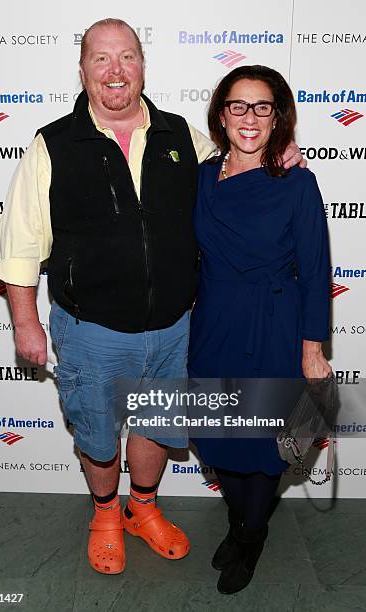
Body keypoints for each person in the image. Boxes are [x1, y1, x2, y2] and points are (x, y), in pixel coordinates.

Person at [0, 19, 304, 576]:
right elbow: (20, 247)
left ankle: (143, 507)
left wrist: (281, 153)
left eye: (127, 57)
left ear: (142, 64)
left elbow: (241, 155)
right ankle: (106, 515)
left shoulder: (182, 135)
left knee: (158, 426)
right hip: (89, 328)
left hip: (173, 327)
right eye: (101, 59)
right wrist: (25, 323)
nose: (116, 71)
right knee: (95, 430)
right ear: (83, 69)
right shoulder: (53, 144)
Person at [187, 65, 332, 594]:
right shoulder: (201, 176)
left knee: (264, 444)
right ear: (221, 115)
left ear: (277, 117)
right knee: (216, 437)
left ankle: (250, 537)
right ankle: (237, 522)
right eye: (238, 106)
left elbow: (316, 272)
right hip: (214, 323)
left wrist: (313, 351)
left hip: (274, 324)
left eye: (262, 106)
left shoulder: (297, 182)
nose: (249, 118)